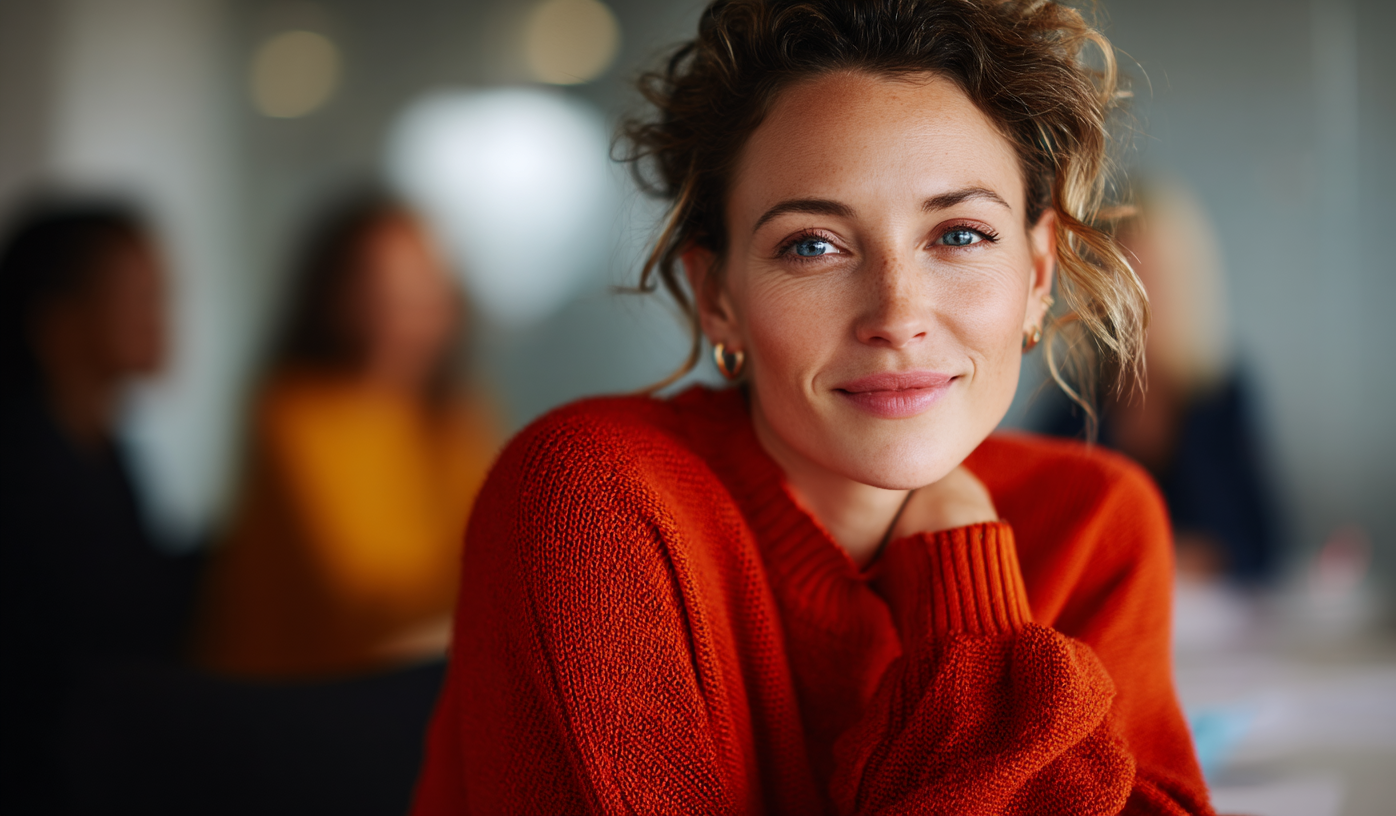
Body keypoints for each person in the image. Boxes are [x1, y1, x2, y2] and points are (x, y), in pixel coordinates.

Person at [413, 1, 1212, 813]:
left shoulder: (1096, 521)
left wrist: (959, 578)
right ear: (717, 296)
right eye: (813, 245)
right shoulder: (592, 499)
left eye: (961, 235)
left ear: (1037, 274)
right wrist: (970, 607)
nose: (898, 315)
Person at [195, 196, 500, 678]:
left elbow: (490, 543)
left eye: (425, 285)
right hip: (296, 699)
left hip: (405, 686)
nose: (412, 309)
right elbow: (355, 595)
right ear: (334, 295)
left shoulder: (453, 413)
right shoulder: (293, 413)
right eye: (387, 290)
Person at [0, 201, 198, 812]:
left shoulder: (106, 451)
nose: (163, 319)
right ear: (57, 322)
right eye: (140, 297)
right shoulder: (24, 470)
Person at [1038, 179, 1280, 584]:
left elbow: (1258, 545)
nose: (1140, 297)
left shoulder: (1221, 396)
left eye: (1156, 276)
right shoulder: (1073, 397)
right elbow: (1050, 540)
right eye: (1125, 275)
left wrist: (1139, 553)